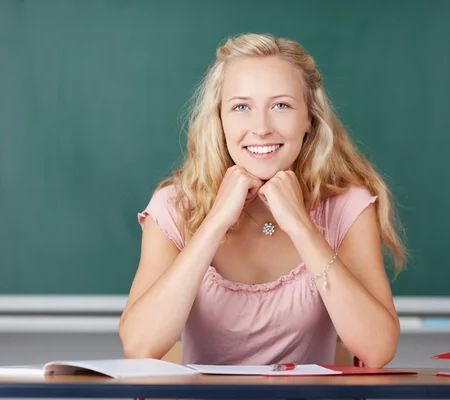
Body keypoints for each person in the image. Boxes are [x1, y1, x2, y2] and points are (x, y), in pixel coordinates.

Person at [119, 33, 406, 369]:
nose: (261, 128)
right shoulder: (174, 206)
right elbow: (140, 345)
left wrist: (301, 226)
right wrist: (214, 223)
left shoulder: (347, 206)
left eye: (281, 106)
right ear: (220, 119)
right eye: (241, 107)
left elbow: (378, 349)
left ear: (309, 119)